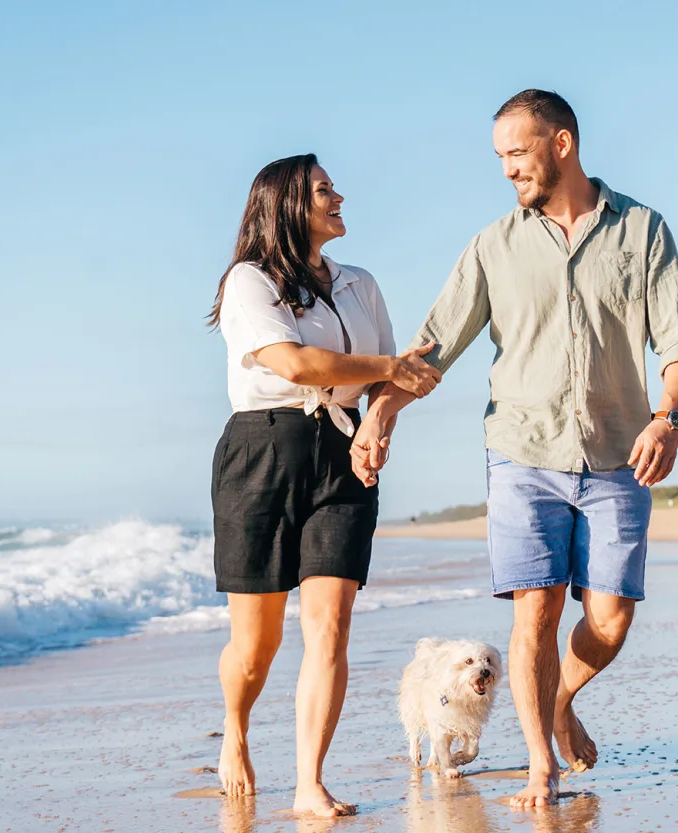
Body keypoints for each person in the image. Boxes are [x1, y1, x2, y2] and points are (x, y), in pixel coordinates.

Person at [351, 90, 678, 807]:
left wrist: (667, 417)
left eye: (517, 152)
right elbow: (434, 347)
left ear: (562, 144)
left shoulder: (641, 231)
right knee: (534, 615)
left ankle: (554, 700)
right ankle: (540, 766)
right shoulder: (493, 245)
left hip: (616, 453)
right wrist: (382, 410)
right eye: (500, 157)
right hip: (521, 452)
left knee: (609, 619)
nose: (508, 169)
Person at [205, 154, 442, 818]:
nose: (338, 197)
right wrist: (391, 366)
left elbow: (389, 380)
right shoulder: (249, 282)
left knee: (331, 627)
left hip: (342, 453)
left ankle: (310, 780)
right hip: (262, 452)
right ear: (285, 205)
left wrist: (380, 425)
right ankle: (237, 726)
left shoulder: (360, 284)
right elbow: (296, 362)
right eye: (322, 190)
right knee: (257, 646)